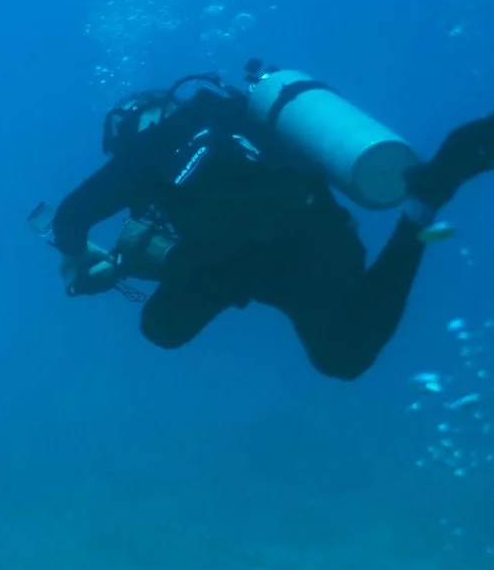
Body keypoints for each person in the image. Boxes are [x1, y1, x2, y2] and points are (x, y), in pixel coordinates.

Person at [48, 71, 494, 380]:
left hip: (243, 262)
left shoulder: (153, 144)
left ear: (135, 124)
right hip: (315, 236)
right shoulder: (241, 114)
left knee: (162, 328)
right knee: (344, 356)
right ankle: (422, 203)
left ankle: (421, 210)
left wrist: (78, 253)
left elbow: (71, 216)